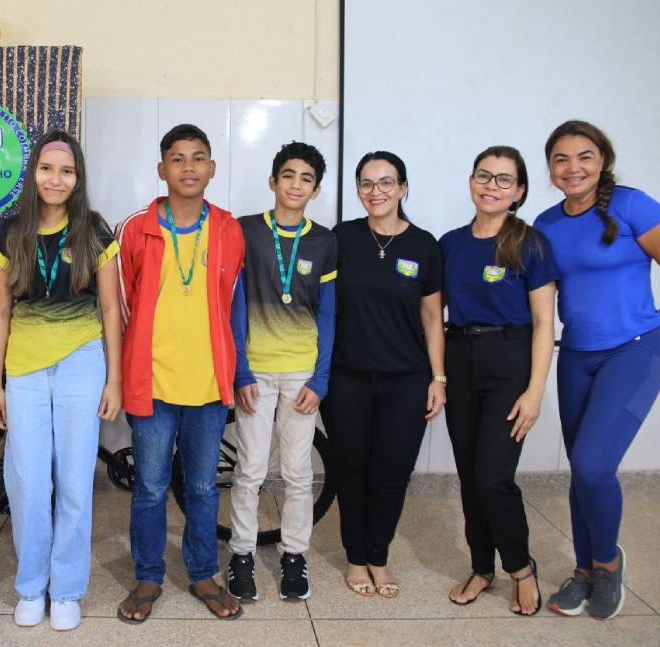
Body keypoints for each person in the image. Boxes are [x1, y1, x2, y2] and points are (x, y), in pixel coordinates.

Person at [536, 120, 660, 620]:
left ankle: (608, 565)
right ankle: (584, 570)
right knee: (582, 472)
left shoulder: (633, 205)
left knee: (592, 465)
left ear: (603, 160)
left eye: (584, 156)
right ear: (550, 168)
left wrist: (656, 327)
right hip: (577, 357)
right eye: (561, 159)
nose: (573, 168)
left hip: (633, 351)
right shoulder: (546, 224)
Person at [0, 130, 123, 631]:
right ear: (34, 173)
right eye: (47, 169)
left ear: (78, 177)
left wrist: (115, 380)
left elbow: (111, 308)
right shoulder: (10, 232)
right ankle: (30, 585)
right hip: (22, 366)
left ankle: (65, 589)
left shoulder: (94, 230)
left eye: (67, 170)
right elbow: (0, 311)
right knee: (25, 479)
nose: (56, 179)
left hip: (82, 361)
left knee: (72, 477)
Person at [115, 124, 245, 623]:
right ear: (161, 169)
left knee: (203, 487)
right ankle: (148, 576)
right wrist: (124, 372)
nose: (188, 167)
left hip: (209, 385)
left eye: (198, 158)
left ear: (212, 168)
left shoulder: (229, 230)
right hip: (153, 384)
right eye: (177, 158)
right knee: (148, 487)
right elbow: (121, 304)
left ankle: (202, 573)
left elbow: (235, 307)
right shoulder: (136, 228)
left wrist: (237, 372)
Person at [439, 146, 557, 615]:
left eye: (504, 179)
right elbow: (432, 313)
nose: (492, 186)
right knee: (470, 475)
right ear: (471, 182)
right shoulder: (450, 243)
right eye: (484, 176)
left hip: (510, 361)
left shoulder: (530, 242)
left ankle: (520, 568)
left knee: (493, 476)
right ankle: (481, 567)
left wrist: (534, 391)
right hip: (460, 356)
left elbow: (545, 324)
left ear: (519, 191)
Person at [323, 151, 446, 598]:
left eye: (386, 182)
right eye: (367, 183)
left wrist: (439, 378)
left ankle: (379, 555)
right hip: (347, 378)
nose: (376, 191)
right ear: (358, 190)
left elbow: (433, 318)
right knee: (351, 470)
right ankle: (356, 558)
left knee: (392, 471)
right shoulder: (342, 238)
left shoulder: (425, 245)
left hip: (407, 381)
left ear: (403, 188)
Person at [227, 142, 336, 601]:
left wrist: (321, 379)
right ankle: (242, 555)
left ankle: (294, 554)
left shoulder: (325, 241)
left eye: (306, 178)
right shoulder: (245, 231)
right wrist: (241, 371)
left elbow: (329, 314)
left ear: (315, 189)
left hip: (300, 374)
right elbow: (233, 305)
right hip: (256, 372)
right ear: (273, 182)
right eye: (288, 175)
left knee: (296, 473)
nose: (295, 185)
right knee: (249, 470)